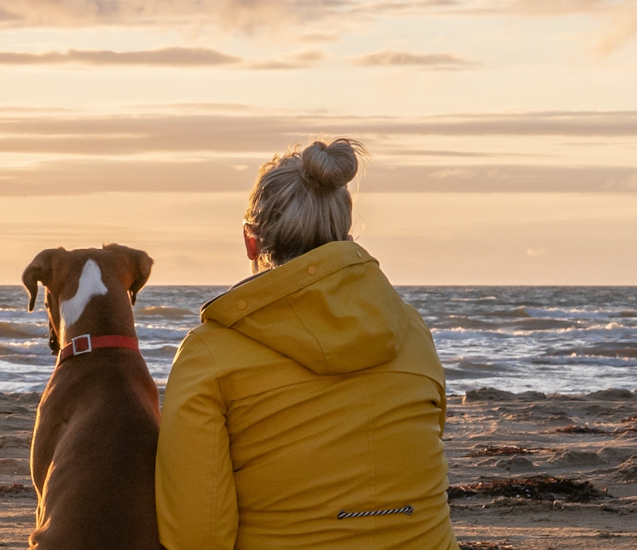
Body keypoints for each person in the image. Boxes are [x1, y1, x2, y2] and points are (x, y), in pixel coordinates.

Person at [154, 138, 457, 549]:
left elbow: (197, 537)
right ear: (345, 234)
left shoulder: (209, 356)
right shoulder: (411, 331)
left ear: (251, 241)